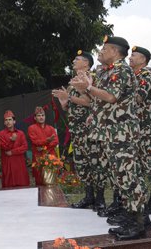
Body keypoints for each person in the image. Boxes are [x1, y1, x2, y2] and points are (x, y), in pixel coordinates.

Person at [71, 36, 147, 241]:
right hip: (109, 132)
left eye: (105, 48)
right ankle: (135, 218)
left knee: (128, 177)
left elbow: (111, 97)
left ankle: (138, 222)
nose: (101, 51)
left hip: (121, 132)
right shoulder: (106, 71)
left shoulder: (121, 70)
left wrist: (87, 88)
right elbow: (100, 100)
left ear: (115, 51)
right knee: (120, 177)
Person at [53, 50, 104, 210]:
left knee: (95, 163)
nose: (74, 60)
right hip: (76, 130)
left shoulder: (92, 79)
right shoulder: (73, 81)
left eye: (78, 59)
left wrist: (69, 98)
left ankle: (100, 199)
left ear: (87, 63)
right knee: (82, 164)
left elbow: (91, 102)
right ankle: (89, 196)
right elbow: (71, 106)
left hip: (90, 130)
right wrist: (64, 102)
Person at [129, 45, 151, 214]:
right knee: (139, 164)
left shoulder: (146, 76)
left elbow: (138, 98)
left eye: (134, 55)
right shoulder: (132, 76)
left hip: (146, 128)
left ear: (143, 60)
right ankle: (142, 199)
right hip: (135, 128)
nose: (130, 57)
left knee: (149, 163)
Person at [0, 110, 30, 187]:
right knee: (9, 187)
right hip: (8, 164)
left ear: (14, 121)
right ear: (4, 123)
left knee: (22, 186)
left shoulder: (20, 133)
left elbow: (25, 147)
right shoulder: (1, 134)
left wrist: (12, 152)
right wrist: (12, 141)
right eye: (6, 120)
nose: (8, 122)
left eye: (10, 119)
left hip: (19, 164)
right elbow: (4, 147)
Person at [28, 107, 59, 185]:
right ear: (35, 118)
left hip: (51, 156)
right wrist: (48, 140)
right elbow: (35, 141)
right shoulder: (31, 128)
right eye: (39, 115)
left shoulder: (51, 128)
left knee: (52, 179)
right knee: (39, 180)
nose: (41, 117)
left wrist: (44, 147)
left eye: (43, 115)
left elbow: (56, 141)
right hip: (38, 157)